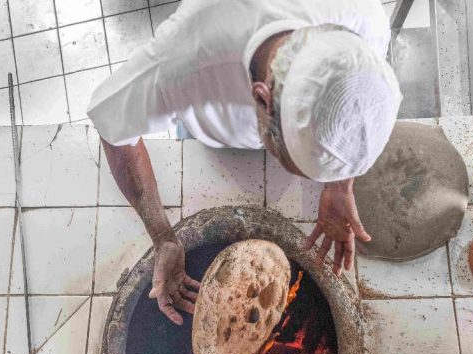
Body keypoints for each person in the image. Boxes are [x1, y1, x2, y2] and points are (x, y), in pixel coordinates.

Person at [87, 0, 402, 325]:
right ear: (262, 98)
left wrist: (339, 184)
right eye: (295, 163)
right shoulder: (185, 62)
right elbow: (112, 126)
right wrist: (163, 237)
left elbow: (349, 107)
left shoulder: (365, 22)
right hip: (208, 131)